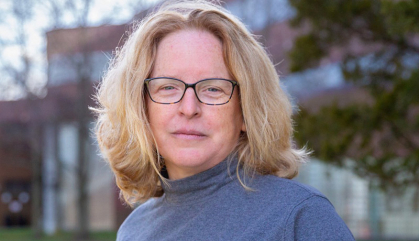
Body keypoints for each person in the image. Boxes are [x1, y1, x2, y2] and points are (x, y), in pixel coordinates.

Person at [93, 0, 355, 240]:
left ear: (245, 111)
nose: (189, 108)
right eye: (168, 87)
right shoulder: (134, 230)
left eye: (213, 89)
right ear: (141, 107)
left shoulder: (300, 217)